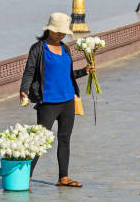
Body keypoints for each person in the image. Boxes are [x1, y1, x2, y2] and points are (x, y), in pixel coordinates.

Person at [19, 12, 94, 188]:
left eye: (63, 32)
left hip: (68, 100)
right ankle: (26, 177)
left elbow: (67, 74)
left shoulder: (65, 48)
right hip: (48, 102)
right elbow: (29, 72)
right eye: (58, 32)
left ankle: (63, 178)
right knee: (40, 140)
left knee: (65, 139)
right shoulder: (38, 48)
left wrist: (84, 71)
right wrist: (23, 90)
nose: (61, 35)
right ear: (49, 30)